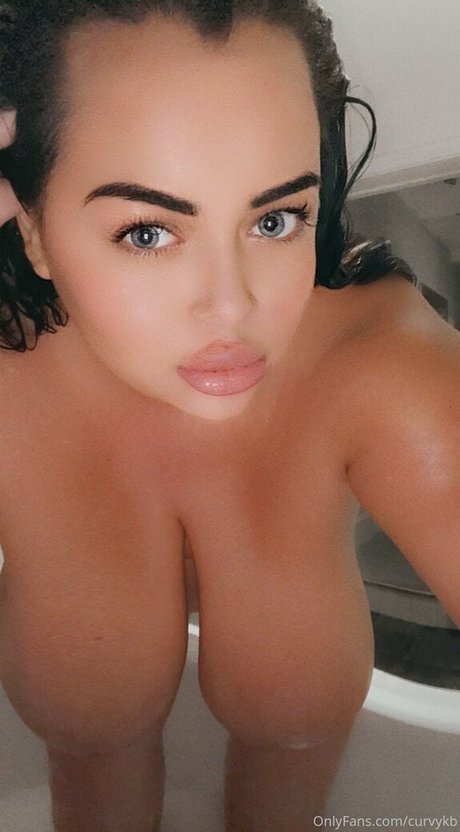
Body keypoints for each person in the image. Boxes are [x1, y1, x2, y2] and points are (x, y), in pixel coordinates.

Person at [0, 2, 459, 831]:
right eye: (147, 233)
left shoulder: (377, 365)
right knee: (92, 742)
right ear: (31, 228)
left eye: (275, 220)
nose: (232, 307)